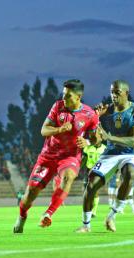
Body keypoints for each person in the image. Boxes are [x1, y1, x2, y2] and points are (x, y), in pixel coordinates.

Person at [13, 79, 99, 233]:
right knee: (30, 194)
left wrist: (87, 142)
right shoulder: (57, 106)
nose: (64, 98)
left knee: (69, 177)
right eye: (63, 94)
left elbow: (97, 138)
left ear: (78, 97)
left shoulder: (89, 114)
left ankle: (48, 214)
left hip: (70, 157)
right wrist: (59, 130)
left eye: (68, 96)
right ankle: (22, 216)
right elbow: (44, 130)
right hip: (48, 156)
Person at [77, 79, 134, 233]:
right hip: (109, 154)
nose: (113, 95)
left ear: (126, 93)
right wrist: (95, 120)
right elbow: (98, 139)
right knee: (91, 185)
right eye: (111, 92)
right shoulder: (106, 112)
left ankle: (111, 216)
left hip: (129, 154)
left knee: (130, 174)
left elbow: (133, 140)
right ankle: (86, 225)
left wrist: (110, 138)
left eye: (117, 92)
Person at [81, 142, 106, 218]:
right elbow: (83, 159)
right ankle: (89, 208)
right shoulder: (87, 148)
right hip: (88, 171)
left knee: (94, 191)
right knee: (86, 191)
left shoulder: (104, 148)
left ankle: (93, 211)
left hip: (98, 171)